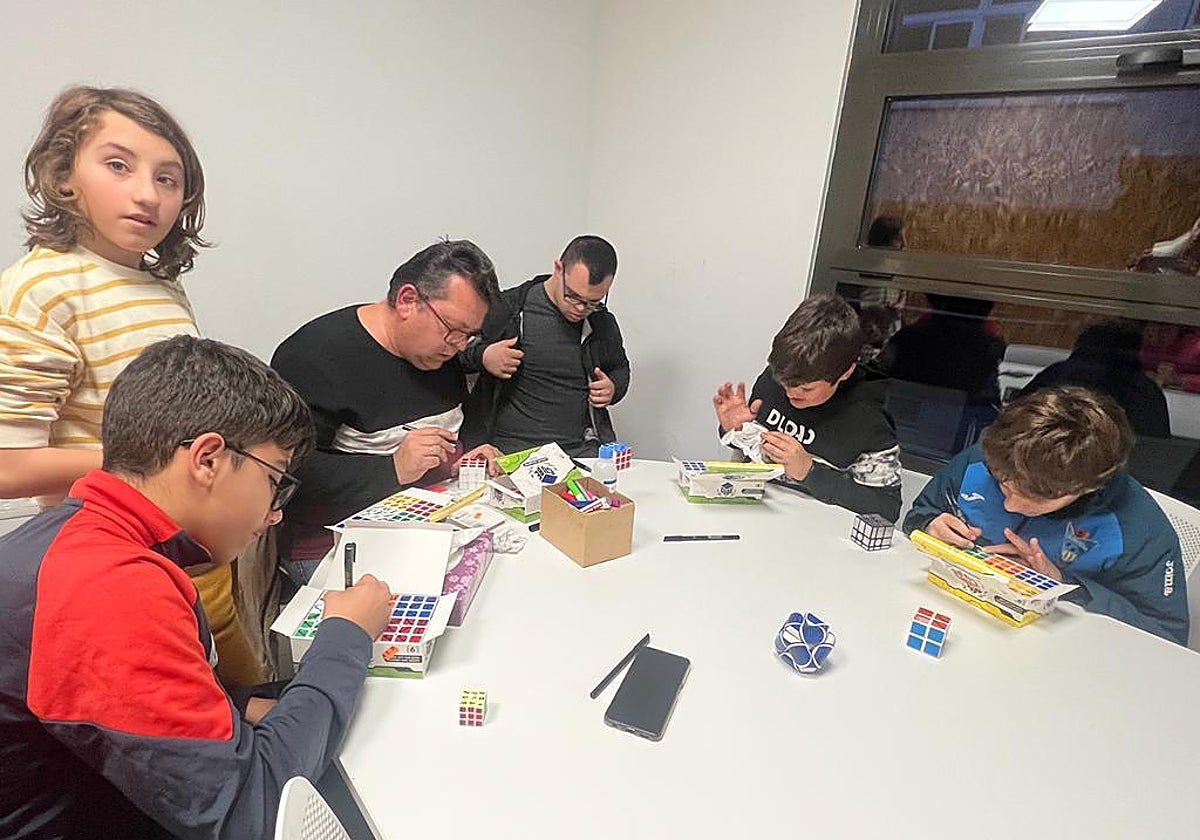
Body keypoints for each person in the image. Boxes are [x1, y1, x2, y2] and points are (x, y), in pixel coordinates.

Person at [0, 335, 394, 838]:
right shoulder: (107, 586)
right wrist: (345, 637)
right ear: (208, 459)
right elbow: (251, 815)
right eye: (274, 482)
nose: (274, 514)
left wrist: (238, 706)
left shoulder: (85, 537)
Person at [0, 86, 260, 686]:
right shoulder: (40, 289)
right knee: (199, 727)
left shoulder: (158, 283)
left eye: (168, 179)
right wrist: (159, 466)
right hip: (125, 573)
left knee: (249, 698)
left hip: (197, 561)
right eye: (118, 165)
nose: (147, 193)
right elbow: (8, 466)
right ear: (64, 176)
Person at [272, 239, 502, 583]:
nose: (457, 347)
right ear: (408, 300)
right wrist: (392, 468)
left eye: (468, 336)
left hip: (431, 517)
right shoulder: (314, 356)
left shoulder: (438, 352)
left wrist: (471, 449)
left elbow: (460, 418)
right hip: (333, 543)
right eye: (452, 330)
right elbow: (285, 473)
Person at [903, 386, 1188, 645]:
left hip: (1062, 648)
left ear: (1086, 488)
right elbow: (920, 515)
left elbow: (1165, 636)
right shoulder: (993, 456)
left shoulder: (1139, 529)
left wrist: (1062, 584)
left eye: (1035, 498)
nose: (1010, 505)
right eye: (1002, 485)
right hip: (959, 613)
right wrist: (929, 526)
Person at [713, 294, 902, 521]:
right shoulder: (778, 377)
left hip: (816, 524)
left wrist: (809, 472)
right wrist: (733, 430)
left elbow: (886, 508)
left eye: (806, 389)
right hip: (754, 506)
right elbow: (749, 449)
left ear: (845, 373)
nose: (791, 393)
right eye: (785, 384)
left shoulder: (868, 420)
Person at [461, 235, 629, 457]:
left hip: (579, 451)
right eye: (573, 296)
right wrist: (483, 356)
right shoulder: (508, 307)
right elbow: (453, 352)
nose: (581, 308)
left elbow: (620, 368)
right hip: (508, 451)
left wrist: (613, 388)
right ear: (558, 269)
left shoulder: (601, 323)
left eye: (593, 302)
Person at [1019, 320, 1170, 438]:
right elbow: (1157, 444)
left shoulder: (1058, 373)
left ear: (1081, 344)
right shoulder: (1146, 389)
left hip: (1047, 456)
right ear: (1136, 352)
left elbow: (1016, 416)